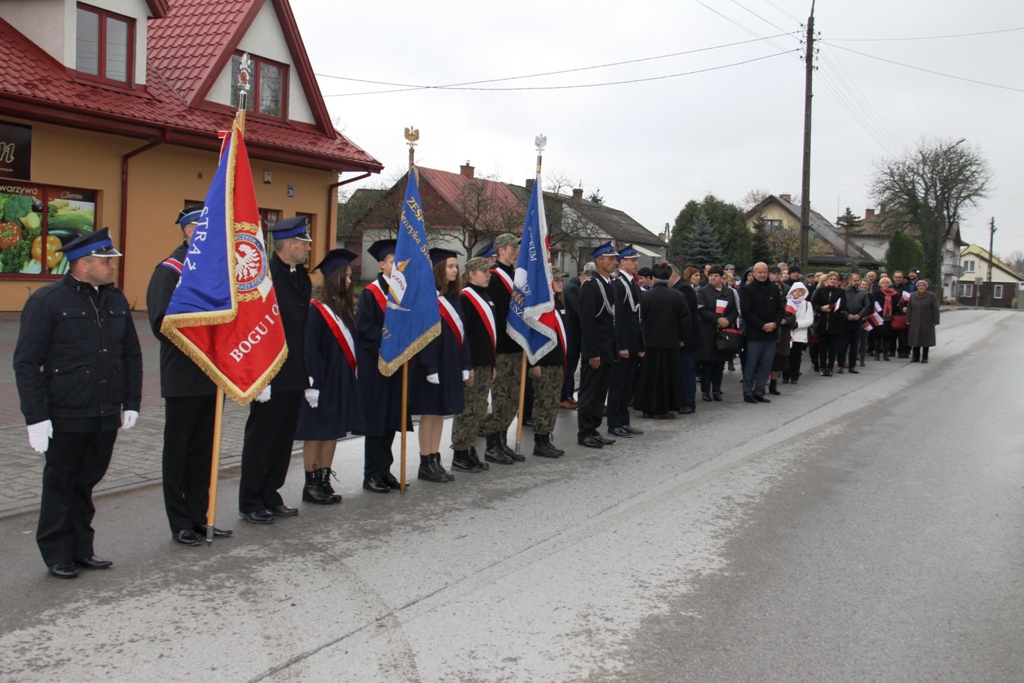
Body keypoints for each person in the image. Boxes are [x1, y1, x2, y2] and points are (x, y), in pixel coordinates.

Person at [14, 228, 142, 578]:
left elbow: (130, 353)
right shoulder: (48, 300)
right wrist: (35, 417)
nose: (113, 266)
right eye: (106, 261)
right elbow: (26, 361)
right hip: (65, 412)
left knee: (86, 481)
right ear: (83, 264)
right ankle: (57, 552)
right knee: (61, 482)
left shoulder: (115, 300)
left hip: (104, 410)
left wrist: (131, 401)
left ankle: (82, 549)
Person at [146, 206, 229, 545]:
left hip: (212, 376)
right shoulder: (170, 270)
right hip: (183, 375)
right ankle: (179, 521)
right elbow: (160, 324)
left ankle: (201, 517)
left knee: (204, 453)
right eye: (200, 228)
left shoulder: (216, 271)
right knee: (179, 452)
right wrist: (202, 336)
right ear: (187, 231)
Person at [238, 217, 311, 524]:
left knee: (282, 440)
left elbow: (301, 328)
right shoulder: (264, 277)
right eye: (304, 243)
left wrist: (307, 373)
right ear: (289, 245)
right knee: (261, 439)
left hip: (294, 372)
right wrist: (260, 376)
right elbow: (252, 327)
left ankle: (271, 492)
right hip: (269, 372)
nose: (308, 248)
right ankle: (250, 498)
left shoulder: (301, 277)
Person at [294, 248, 364, 504]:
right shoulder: (316, 310)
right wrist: (311, 382)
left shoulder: (345, 309)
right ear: (333, 278)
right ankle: (310, 483)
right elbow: (311, 347)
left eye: (349, 277)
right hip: (321, 381)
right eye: (345, 276)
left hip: (341, 380)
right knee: (316, 431)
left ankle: (324, 479)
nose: (348, 281)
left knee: (333, 431)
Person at [409, 249, 471, 482]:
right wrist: (430, 367)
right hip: (430, 366)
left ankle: (435, 458)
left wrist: (466, 362)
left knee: (441, 413)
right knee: (430, 412)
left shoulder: (455, 298)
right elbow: (423, 336)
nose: (455, 270)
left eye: (456, 266)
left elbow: (463, 333)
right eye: (450, 266)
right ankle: (426, 461)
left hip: (451, 362)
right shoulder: (426, 298)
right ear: (437, 269)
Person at [357, 239, 411, 492]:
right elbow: (366, 331)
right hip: (376, 367)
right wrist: (391, 337)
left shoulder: (402, 291)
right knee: (377, 422)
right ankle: (371, 473)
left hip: (398, 365)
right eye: (392, 262)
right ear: (381, 265)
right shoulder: (370, 293)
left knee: (391, 420)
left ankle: (385, 469)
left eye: (399, 262)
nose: (396, 267)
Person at [483, 233, 526, 463]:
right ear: (500, 250)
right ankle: (492, 443)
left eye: (516, 248)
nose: (515, 251)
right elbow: (497, 314)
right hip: (502, 347)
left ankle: (502, 440)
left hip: (516, 346)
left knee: (513, 397)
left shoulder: (515, 275)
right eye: (511, 248)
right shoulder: (495, 277)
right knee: (501, 396)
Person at [451, 257, 497, 470]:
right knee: (467, 409)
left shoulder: (486, 296)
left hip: (485, 364)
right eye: (483, 271)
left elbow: (490, 335)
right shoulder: (465, 299)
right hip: (472, 365)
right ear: (470, 274)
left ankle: (470, 448)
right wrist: (466, 366)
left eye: (489, 271)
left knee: (479, 409)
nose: (488, 274)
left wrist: (492, 363)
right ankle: (460, 452)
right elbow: (463, 335)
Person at [577, 242, 620, 447]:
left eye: (615, 259)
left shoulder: (609, 283)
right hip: (595, 349)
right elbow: (588, 321)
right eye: (610, 259)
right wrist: (593, 351)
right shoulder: (591, 286)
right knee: (589, 392)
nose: (614, 262)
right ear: (599, 261)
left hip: (608, 347)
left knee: (601, 392)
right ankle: (585, 432)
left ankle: (594, 428)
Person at [635, 263, 690, 418]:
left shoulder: (645, 296)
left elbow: (640, 320)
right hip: (670, 343)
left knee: (649, 377)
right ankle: (663, 408)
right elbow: (685, 320)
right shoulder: (677, 296)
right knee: (666, 378)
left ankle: (647, 407)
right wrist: (682, 338)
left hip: (650, 343)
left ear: (653, 280)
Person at [526, 271, 567, 458]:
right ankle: (539, 441)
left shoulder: (559, 304)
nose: (560, 283)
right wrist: (534, 362)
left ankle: (546, 437)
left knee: (552, 402)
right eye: (556, 280)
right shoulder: (541, 307)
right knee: (543, 401)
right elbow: (532, 336)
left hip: (557, 360)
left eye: (561, 280)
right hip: (544, 361)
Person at [607, 245, 644, 439]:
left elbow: (637, 316)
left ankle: (624, 420)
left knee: (627, 385)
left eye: (636, 260)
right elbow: (619, 318)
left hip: (633, 342)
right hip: (624, 344)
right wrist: (621, 345)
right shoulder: (618, 283)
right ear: (622, 262)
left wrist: (640, 345)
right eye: (632, 260)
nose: (636, 264)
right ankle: (614, 423)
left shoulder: (631, 282)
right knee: (618, 385)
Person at [739, 262, 784, 403]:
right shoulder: (747, 289)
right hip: (755, 333)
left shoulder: (774, 288)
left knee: (766, 364)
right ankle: (747, 392)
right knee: (751, 364)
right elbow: (746, 312)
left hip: (771, 333)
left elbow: (780, 309)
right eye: (760, 272)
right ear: (754, 273)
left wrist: (775, 323)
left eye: (765, 272)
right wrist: (762, 325)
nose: (763, 275)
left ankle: (759, 391)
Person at [696, 265, 738, 401]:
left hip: (723, 331)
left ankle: (716, 390)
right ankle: (705, 390)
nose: (713, 278)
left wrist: (728, 320)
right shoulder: (703, 291)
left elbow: (734, 311)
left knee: (720, 363)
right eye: (711, 275)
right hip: (708, 331)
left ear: (721, 278)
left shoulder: (729, 292)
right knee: (707, 363)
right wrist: (717, 319)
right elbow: (701, 311)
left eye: (716, 276)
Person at [669, 264, 701, 413]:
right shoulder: (678, 287)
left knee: (686, 371)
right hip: (681, 338)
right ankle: (681, 400)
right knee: (680, 371)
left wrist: (681, 337)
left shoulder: (684, 289)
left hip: (687, 339)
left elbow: (684, 316)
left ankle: (688, 402)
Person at [560, 262, 592, 408]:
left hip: (575, 333)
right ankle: (564, 396)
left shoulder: (576, 287)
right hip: (570, 333)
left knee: (572, 365)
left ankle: (568, 393)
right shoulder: (571, 288)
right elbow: (580, 309)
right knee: (569, 365)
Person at [810, 271, 844, 376]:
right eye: (831, 279)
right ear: (827, 280)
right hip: (823, 322)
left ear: (837, 281)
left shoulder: (841, 291)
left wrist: (830, 307)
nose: (832, 281)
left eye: (835, 279)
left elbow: (843, 304)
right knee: (823, 347)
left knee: (833, 347)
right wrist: (821, 308)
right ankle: (823, 367)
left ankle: (830, 368)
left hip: (835, 322)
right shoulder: (820, 290)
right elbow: (813, 303)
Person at [837, 273, 871, 374]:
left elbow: (867, 306)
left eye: (858, 281)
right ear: (849, 281)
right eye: (855, 281)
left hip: (857, 321)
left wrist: (859, 315)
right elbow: (839, 306)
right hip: (845, 321)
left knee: (855, 344)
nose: (857, 283)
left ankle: (852, 365)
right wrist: (847, 315)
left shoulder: (862, 292)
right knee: (842, 344)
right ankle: (840, 364)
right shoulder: (842, 291)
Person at [782, 282, 814, 384]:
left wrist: (797, 324)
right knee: (786, 355)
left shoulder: (807, 304)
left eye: (800, 291)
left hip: (799, 333)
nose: (797, 293)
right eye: (795, 291)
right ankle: (785, 375)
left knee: (796, 356)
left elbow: (809, 320)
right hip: (787, 333)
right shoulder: (787, 303)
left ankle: (794, 376)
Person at [906, 279, 940, 362]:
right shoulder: (913, 295)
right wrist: (908, 319)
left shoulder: (931, 296)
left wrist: (935, 321)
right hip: (914, 321)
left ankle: (925, 357)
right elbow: (909, 308)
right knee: (914, 340)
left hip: (927, 321)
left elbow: (935, 309)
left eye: (923, 286)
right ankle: (915, 357)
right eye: (919, 286)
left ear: (926, 287)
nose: (921, 287)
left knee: (925, 340)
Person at [870, 276, 901, 361]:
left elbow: (897, 305)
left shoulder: (894, 294)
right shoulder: (876, 293)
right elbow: (872, 304)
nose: (885, 284)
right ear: (880, 284)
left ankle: (885, 354)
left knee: (887, 337)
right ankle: (877, 354)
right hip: (878, 317)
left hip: (889, 318)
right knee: (877, 336)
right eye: (883, 283)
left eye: (887, 283)